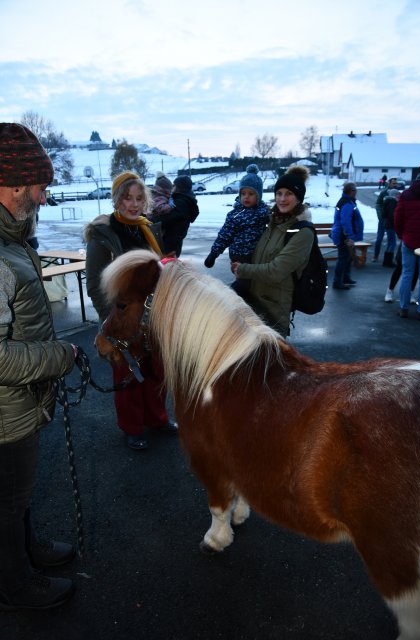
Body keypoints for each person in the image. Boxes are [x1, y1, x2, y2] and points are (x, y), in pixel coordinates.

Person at [0, 123, 77, 611]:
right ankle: (15, 585)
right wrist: (59, 356)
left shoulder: (11, 240)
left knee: (16, 494)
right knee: (6, 502)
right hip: (3, 413)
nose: (46, 198)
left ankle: (27, 552)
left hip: (16, 402)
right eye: (41, 187)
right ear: (14, 185)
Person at [84, 171, 177, 450]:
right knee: (128, 377)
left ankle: (157, 419)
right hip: (123, 318)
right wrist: (111, 324)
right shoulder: (103, 235)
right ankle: (132, 427)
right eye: (127, 198)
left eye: (138, 198)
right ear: (116, 200)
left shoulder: (148, 228)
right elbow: (94, 285)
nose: (133, 204)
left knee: (155, 372)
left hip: (151, 317)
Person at [230, 165, 314, 336]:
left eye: (289, 194)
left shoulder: (303, 232)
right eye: (279, 193)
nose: (282, 199)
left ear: (299, 198)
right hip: (251, 303)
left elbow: (276, 270)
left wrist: (242, 269)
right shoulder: (271, 222)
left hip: (272, 311)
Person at [204, 164, 270, 298]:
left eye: (251, 194)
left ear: (259, 196)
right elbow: (224, 235)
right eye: (243, 193)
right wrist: (213, 253)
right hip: (239, 255)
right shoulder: (235, 214)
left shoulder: (264, 213)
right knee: (243, 284)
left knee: (254, 285)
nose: (246, 197)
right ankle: (227, 298)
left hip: (257, 256)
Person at [394, 170, 420, 319]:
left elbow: (398, 218)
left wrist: (402, 235)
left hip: (409, 241)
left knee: (407, 274)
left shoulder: (406, 195)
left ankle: (403, 308)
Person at [330, 182, 364, 290]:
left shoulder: (348, 202)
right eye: (355, 190)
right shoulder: (347, 204)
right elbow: (345, 221)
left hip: (344, 235)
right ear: (351, 191)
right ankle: (337, 282)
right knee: (343, 258)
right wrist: (349, 236)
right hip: (344, 236)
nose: (356, 192)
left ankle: (345, 278)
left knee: (348, 257)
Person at [159, 175, 199, 257]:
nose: (172, 187)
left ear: (179, 187)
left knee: (166, 267)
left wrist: (150, 219)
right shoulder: (185, 200)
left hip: (169, 244)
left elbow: (167, 219)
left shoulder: (182, 203)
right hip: (174, 243)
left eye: (174, 185)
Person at [373, 176, 398, 261]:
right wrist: (381, 217)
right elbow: (377, 205)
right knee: (379, 238)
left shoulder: (397, 193)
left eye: (396, 183)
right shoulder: (384, 193)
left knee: (391, 239)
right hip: (383, 220)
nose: (395, 185)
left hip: (391, 221)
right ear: (389, 183)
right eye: (393, 183)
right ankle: (375, 256)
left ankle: (388, 258)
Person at [380, 188, 399, 267]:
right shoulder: (393, 202)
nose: (398, 196)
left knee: (390, 242)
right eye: (397, 194)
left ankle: (386, 261)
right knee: (392, 243)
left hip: (387, 224)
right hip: (391, 224)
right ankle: (388, 261)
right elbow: (392, 215)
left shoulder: (386, 201)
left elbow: (384, 214)